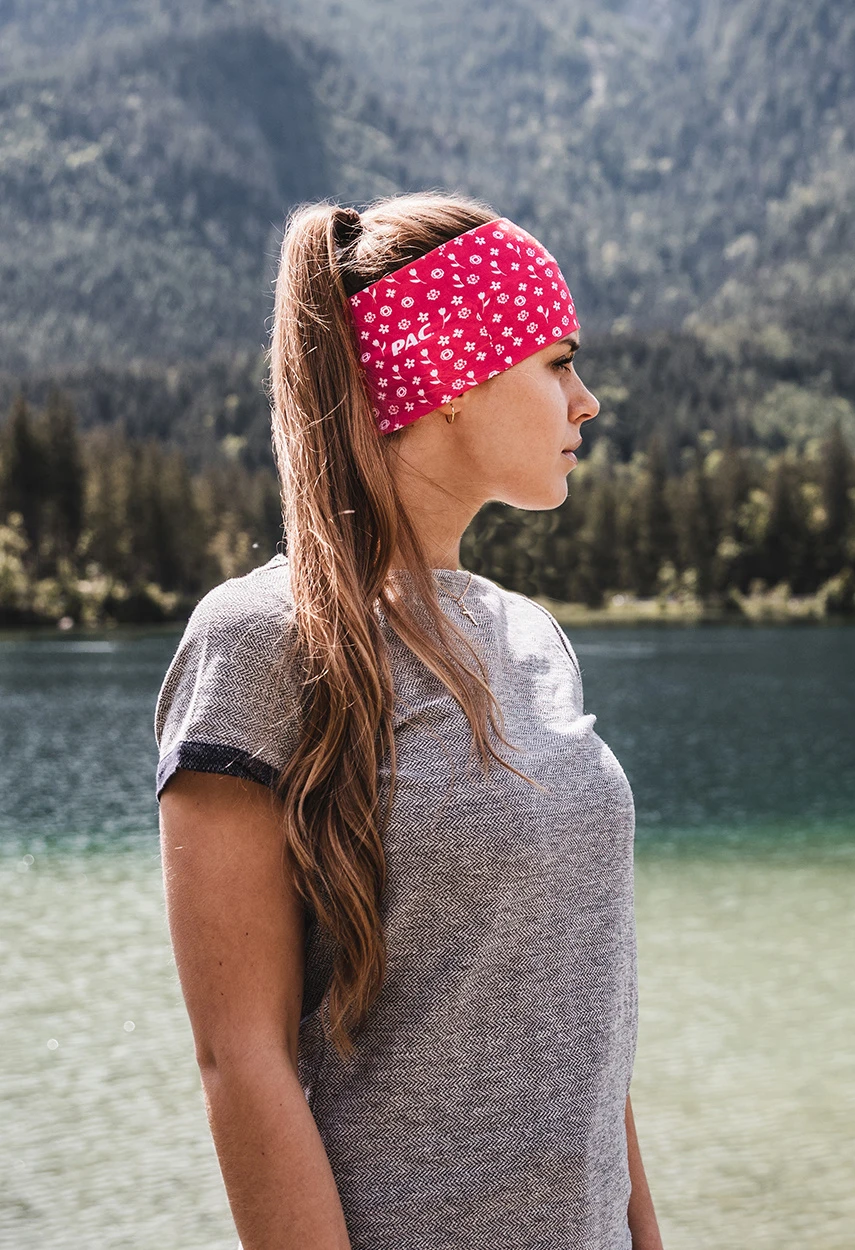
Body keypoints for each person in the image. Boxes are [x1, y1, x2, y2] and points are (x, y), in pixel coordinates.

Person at [155, 191, 663, 1250]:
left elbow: (586, 1029)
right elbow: (240, 1061)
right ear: (449, 376)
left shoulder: (531, 637)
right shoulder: (257, 641)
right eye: (556, 362)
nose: (587, 401)